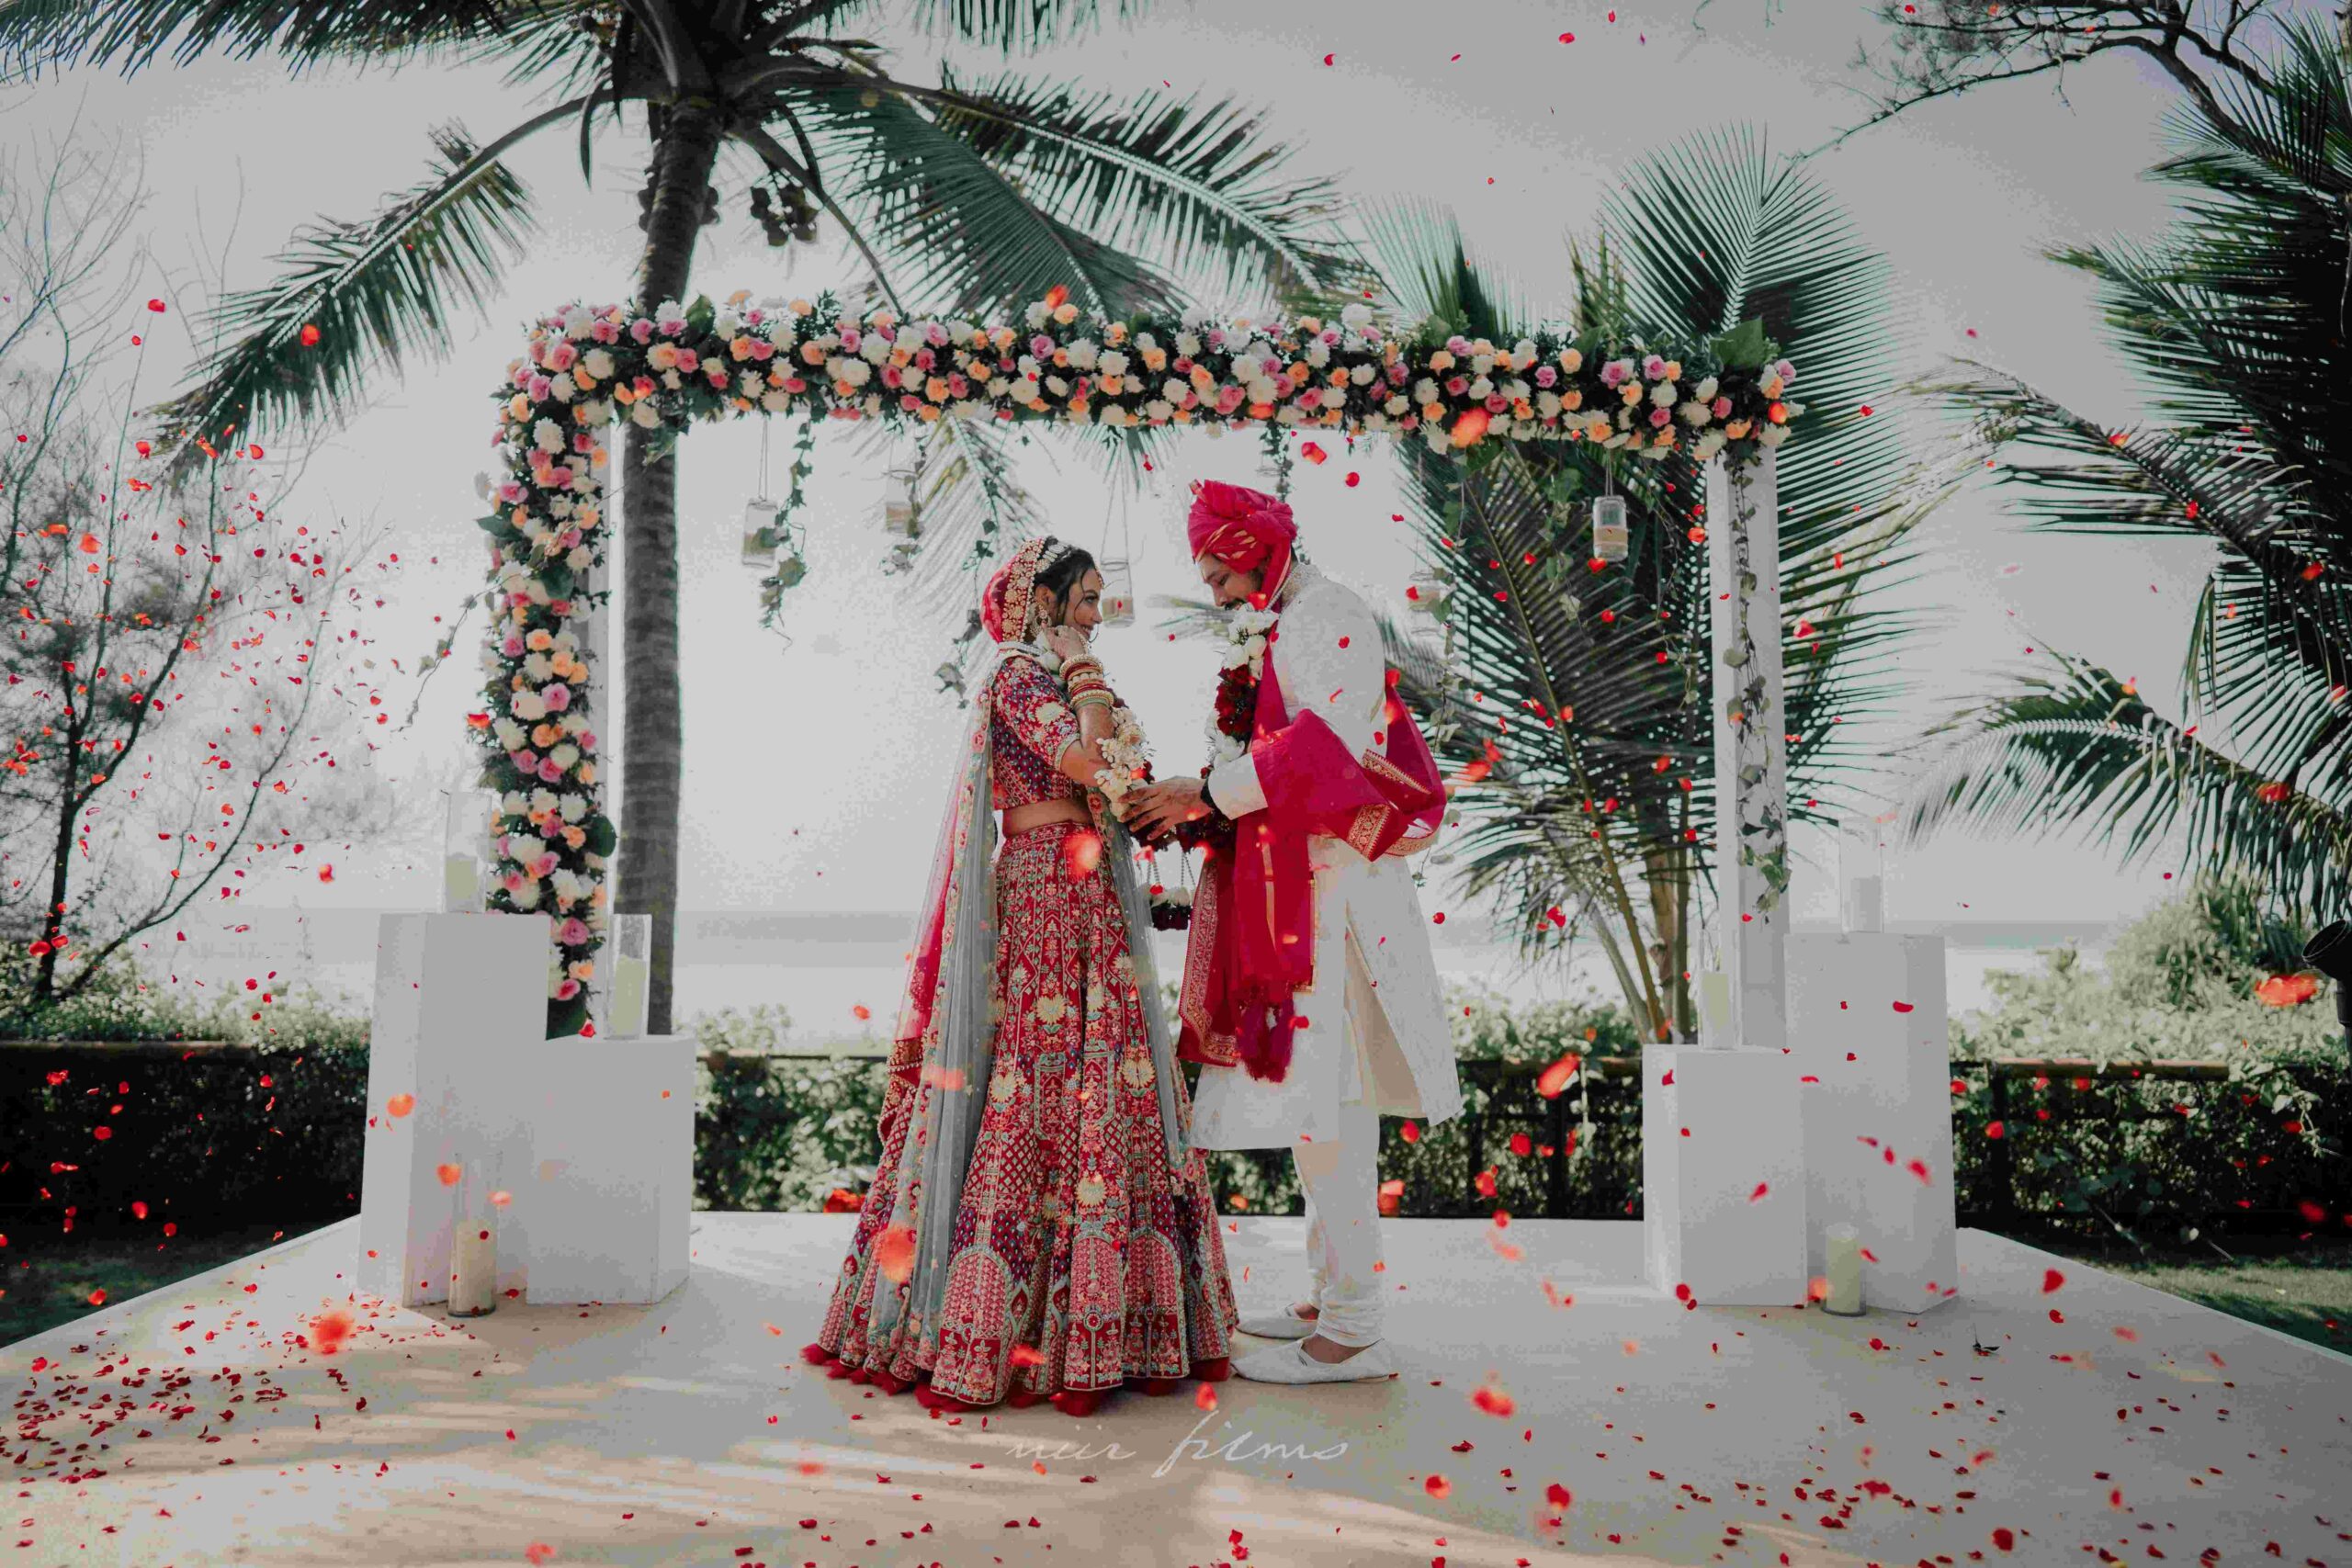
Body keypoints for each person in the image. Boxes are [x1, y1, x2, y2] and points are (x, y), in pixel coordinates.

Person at [805, 536, 1238, 1416]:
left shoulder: (1068, 676)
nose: (1094, 616)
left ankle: (1119, 1321)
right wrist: (1085, 674)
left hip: (1092, 896)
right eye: (1080, 600)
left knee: (1107, 1082)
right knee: (1036, 1083)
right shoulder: (1015, 676)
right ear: (1038, 603)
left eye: (1095, 602)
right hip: (1043, 888)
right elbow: (1094, 764)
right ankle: (990, 1324)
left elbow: (1125, 782)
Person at [1127, 479, 1464, 1385]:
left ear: (1257, 552)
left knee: (1333, 1109)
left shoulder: (1328, 612)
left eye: (1219, 576)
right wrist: (1197, 803)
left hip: (1339, 902)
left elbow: (1331, 742)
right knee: (1322, 1105)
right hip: (1302, 894)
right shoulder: (1282, 624)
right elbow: (1274, 756)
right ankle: (1331, 1295)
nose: (1216, 596)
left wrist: (1208, 792)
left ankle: (1355, 1328)